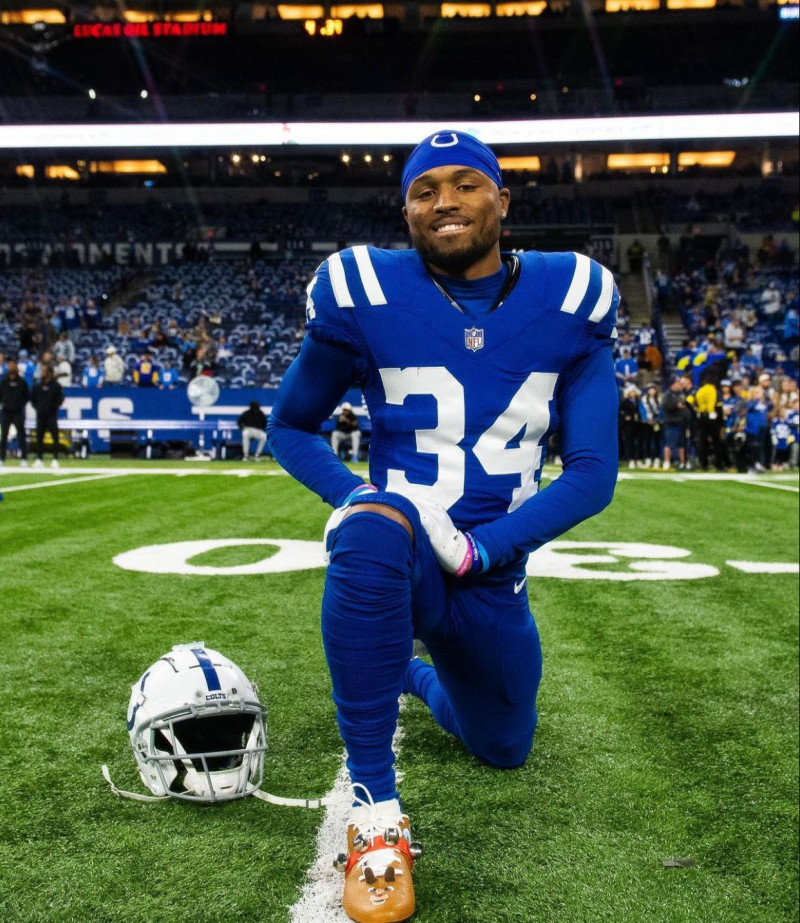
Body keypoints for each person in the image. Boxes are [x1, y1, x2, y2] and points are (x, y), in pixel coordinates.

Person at [267, 131, 620, 923]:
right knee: (369, 525)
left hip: (493, 575)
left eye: (465, 185)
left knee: (503, 747)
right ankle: (375, 817)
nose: (446, 203)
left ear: (503, 198)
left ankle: (414, 675)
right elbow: (290, 428)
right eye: (426, 191)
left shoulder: (574, 297)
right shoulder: (362, 290)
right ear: (405, 210)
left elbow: (594, 471)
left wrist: (484, 547)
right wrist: (363, 499)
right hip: (404, 555)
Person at [31, 363, 64, 468]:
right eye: (42, 371)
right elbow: (33, 399)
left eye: (44, 371)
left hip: (51, 415)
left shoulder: (56, 386)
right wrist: (38, 408)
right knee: (39, 437)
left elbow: (60, 399)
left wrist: (52, 408)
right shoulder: (37, 386)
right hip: (40, 415)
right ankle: (39, 458)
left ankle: (55, 459)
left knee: (55, 436)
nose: (42, 373)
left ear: (49, 372)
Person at [0, 358, 30, 467]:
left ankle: (24, 458)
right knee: (3, 436)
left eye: (13, 365)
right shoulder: (3, 382)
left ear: (16, 367)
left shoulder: (21, 382)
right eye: (9, 365)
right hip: (6, 412)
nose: (11, 367)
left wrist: (19, 404)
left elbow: (27, 396)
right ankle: (2, 458)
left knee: (21, 435)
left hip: (18, 412)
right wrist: (4, 403)